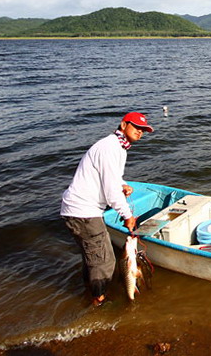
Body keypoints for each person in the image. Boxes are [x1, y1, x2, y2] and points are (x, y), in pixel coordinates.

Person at [60, 111, 154, 306]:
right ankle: (98, 303)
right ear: (123, 125)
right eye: (136, 127)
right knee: (105, 261)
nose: (140, 132)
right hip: (84, 212)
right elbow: (111, 192)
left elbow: (110, 179)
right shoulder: (110, 148)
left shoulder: (117, 147)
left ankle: (89, 292)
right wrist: (128, 216)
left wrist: (122, 184)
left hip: (75, 210)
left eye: (143, 130)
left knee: (92, 258)